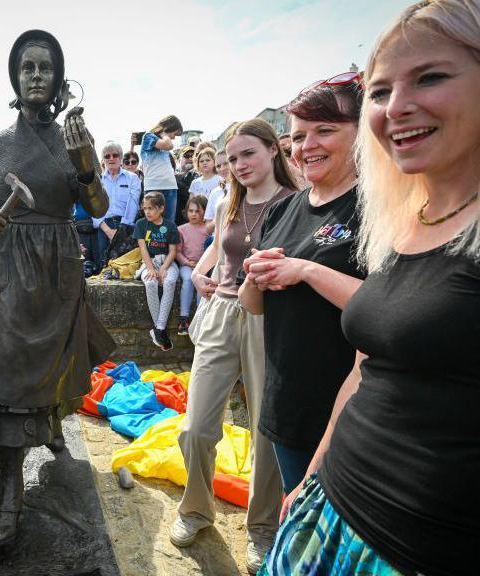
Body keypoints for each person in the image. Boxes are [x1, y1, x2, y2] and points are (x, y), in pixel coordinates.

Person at [259, 1, 480, 574]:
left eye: (430, 77)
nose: (397, 108)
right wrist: (311, 477)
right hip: (326, 517)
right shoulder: (408, 213)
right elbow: (366, 368)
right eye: (380, 92)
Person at [0, 29, 115, 546]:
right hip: (7, 266)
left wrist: (87, 165)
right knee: (5, 376)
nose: (35, 76)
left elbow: (97, 209)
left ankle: (50, 425)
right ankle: (9, 490)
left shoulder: (73, 138)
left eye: (44, 68)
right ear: (14, 77)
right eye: (26, 68)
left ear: (58, 80)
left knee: (52, 366)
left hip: (56, 265)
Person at [171, 118, 297, 574]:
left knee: (266, 430)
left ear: (271, 151)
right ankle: (196, 509)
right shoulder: (227, 201)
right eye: (232, 158)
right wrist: (202, 272)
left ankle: (261, 526)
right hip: (222, 313)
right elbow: (219, 247)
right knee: (195, 428)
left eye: (248, 154)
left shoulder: (296, 203)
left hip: (271, 320)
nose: (239, 165)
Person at [238, 72, 366, 496]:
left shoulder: (376, 210)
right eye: (298, 135)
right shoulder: (283, 210)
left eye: (324, 130)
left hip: (350, 412)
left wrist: (307, 271)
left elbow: (390, 307)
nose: (307, 145)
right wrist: (257, 277)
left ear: (362, 133)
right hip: (286, 402)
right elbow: (254, 306)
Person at [134, 191, 180, 351]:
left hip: (167, 262)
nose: (147, 211)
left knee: (170, 281)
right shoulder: (140, 224)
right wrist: (152, 269)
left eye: (151, 208)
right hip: (149, 262)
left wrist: (163, 269)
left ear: (161, 208)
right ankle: (160, 330)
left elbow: (173, 251)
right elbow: (143, 249)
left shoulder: (170, 225)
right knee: (151, 283)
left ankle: (158, 329)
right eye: (145, 208)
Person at [93, 141, 142, 271]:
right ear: (103, 159)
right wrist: (107, 230)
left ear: (120, 158)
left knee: (124, 267)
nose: (111, 159)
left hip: (125, 225)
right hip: (103, 226)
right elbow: (93, 207)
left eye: (115, 155)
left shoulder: (132, 178)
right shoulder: (97, 180)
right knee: (103, 266)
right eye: (107, 156)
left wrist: (120, 232)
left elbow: (133, 205)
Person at [175, 195, 208, 335]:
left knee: (203, 283)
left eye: (197, 211)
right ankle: (184, 319)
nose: (193, 214)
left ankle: (201, 320)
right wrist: (187, 262)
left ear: (205, 212)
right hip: (186, 265)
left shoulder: (208, 229)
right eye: (191, 211)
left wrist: (201, 265)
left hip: (203, 266)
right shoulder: (181, 229)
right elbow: (177, 251)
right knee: (188, 280)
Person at [140, 115, 183, 222]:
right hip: (153, 187)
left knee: (168, 224)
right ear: (169, 127)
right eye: (174, 133)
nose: (173, 138)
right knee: (152, 223)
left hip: (170, 187)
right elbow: (168, 145)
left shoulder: (164, 142)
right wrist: (163, 133)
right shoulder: (148, 136)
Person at [203, 149, 231, 234]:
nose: (222, 168)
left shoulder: (246, 187)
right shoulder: (215, 192)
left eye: (226, 163)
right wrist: (218, 219)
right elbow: (207, 229)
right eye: (218, 166)